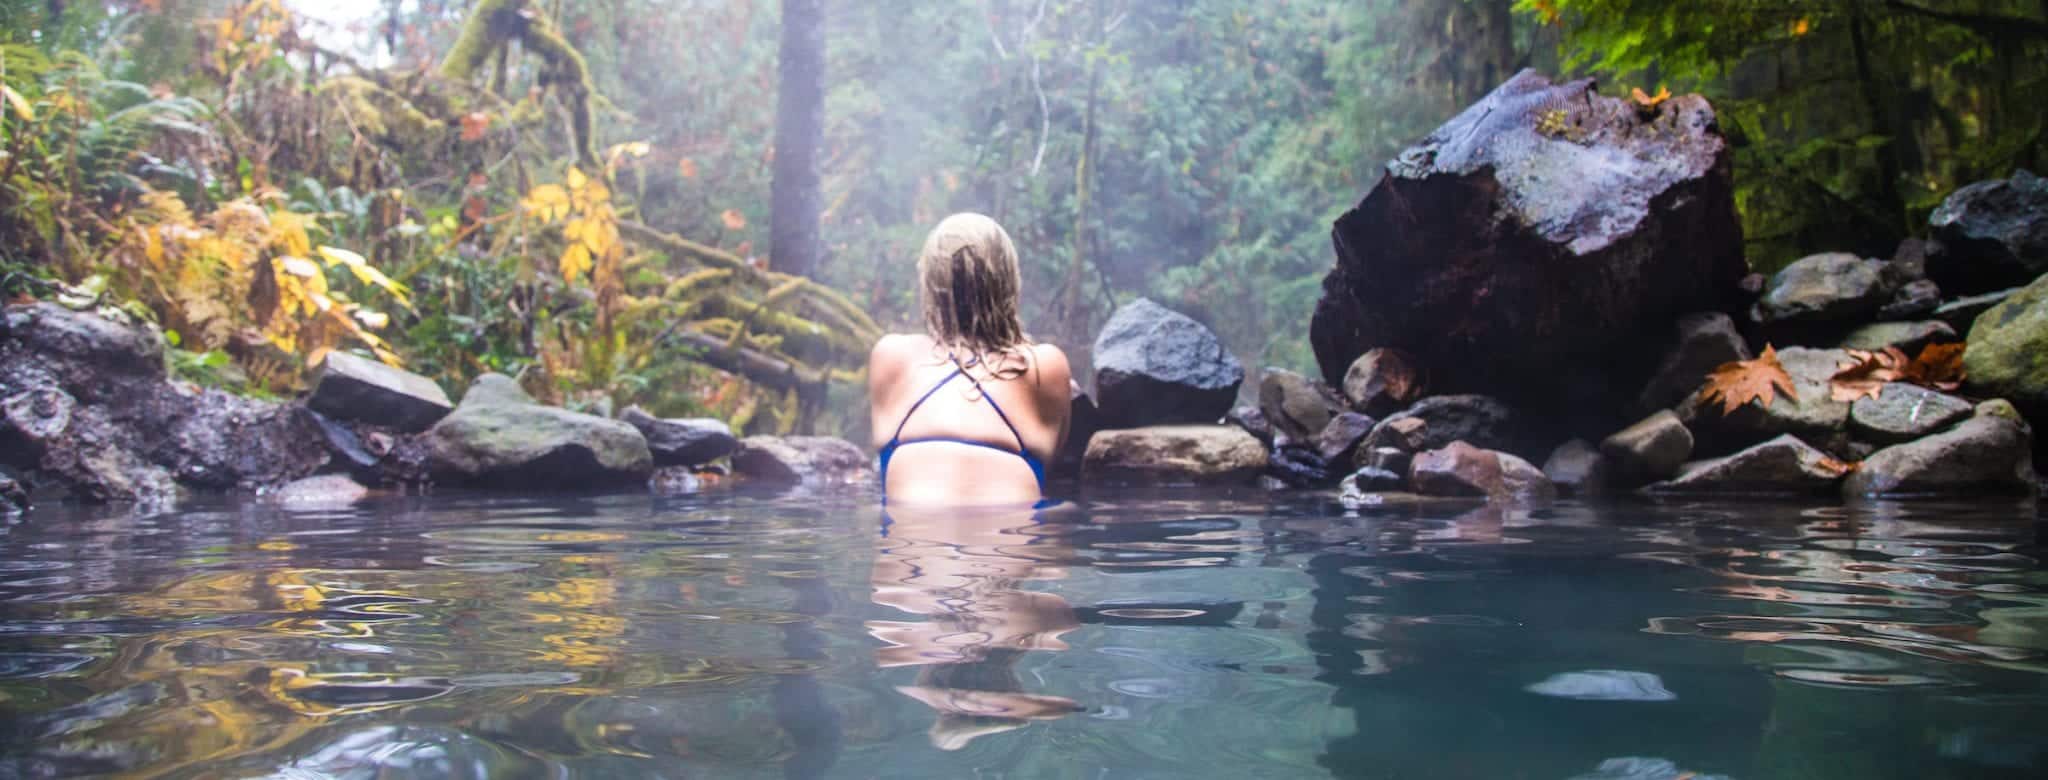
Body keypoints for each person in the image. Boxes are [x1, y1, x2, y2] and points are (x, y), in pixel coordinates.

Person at [868, 212, 1071, 505]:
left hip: (913, 534)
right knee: (1064, 509)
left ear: (931, 283)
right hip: (1012, 533)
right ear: (1008, 280)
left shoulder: (892, 356)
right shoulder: (1043, 365)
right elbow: (1055, 459)